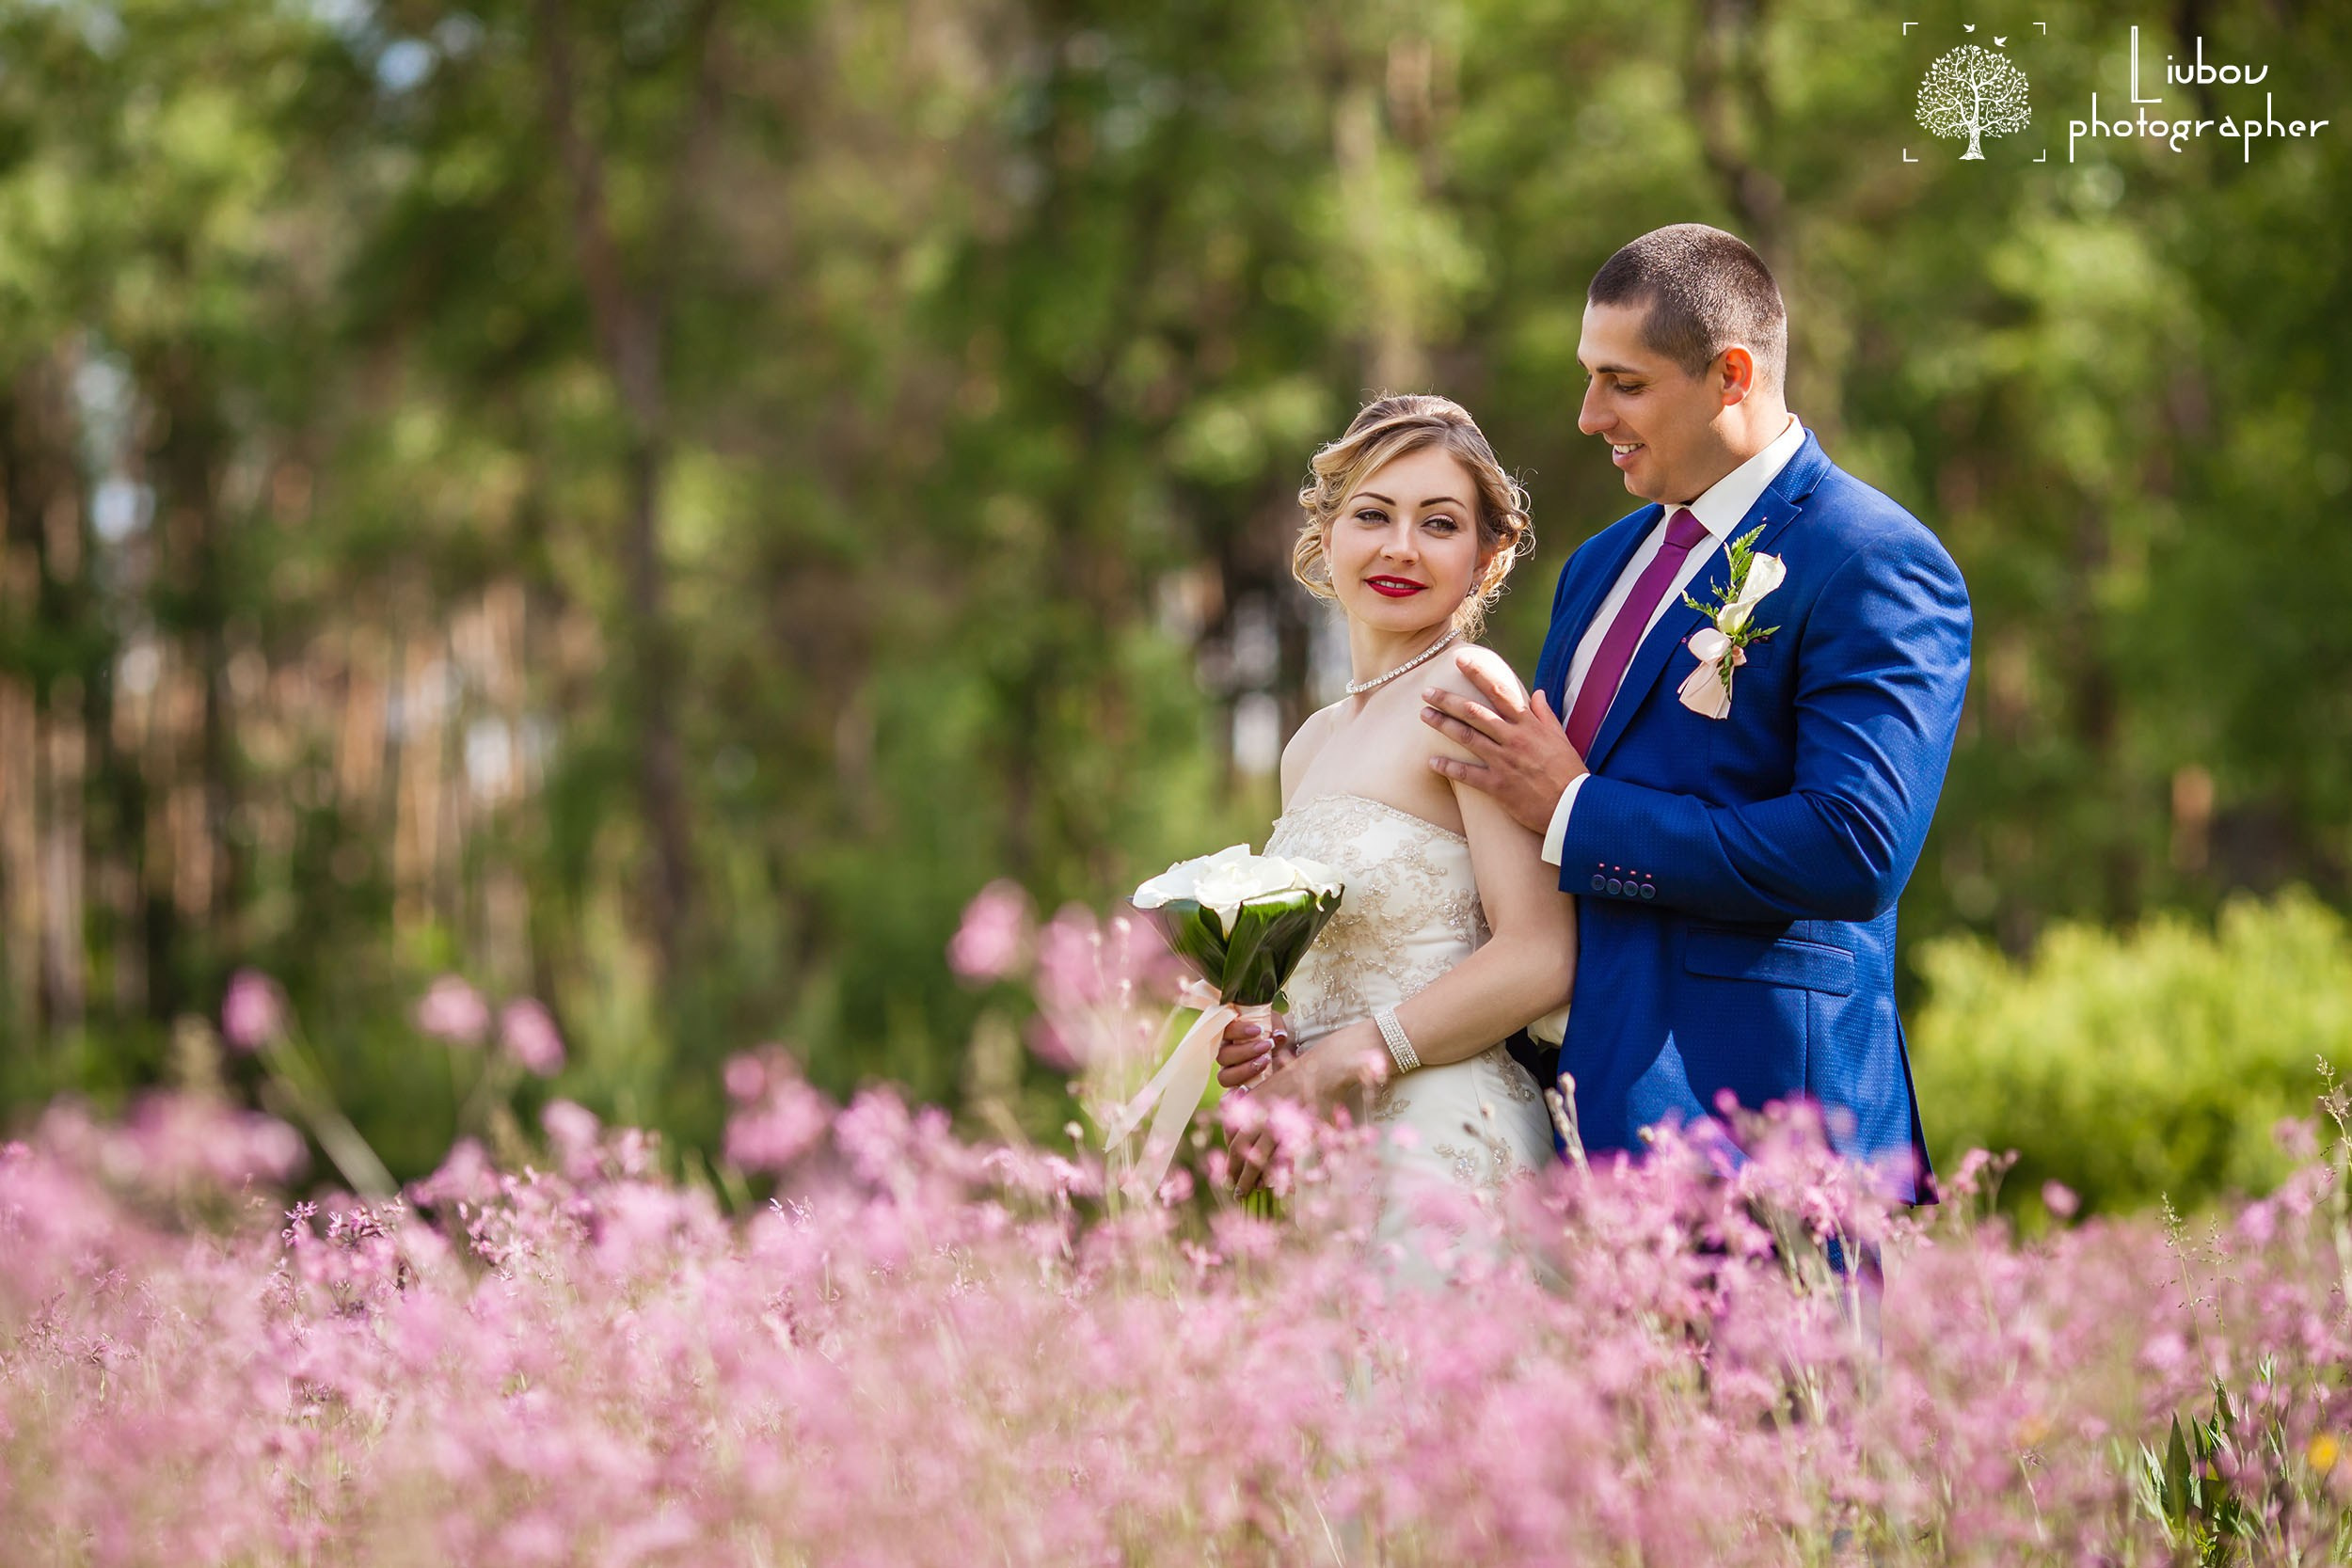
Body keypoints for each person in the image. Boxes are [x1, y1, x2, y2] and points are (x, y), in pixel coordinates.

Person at [1413, 223, 1971, 1205]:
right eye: (1588, 376)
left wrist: (1583, 812)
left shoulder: (1872, 559)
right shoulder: (1596, 566)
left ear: (1731, 375)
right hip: (1559, 1129)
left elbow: (1853, 847)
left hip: (1762, 1125)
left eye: (1622, 383)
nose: (1589, 416)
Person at [1212, 394, 1574, 1258]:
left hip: (1446, 1142)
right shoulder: (1309, 745)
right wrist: (1278, 1047)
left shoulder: (1469, 690)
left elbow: (1541, 952)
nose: (1400, 547)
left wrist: (1349, 1057)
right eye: (1373, 514)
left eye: (1439, 522)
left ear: (1488, 555)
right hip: (1337, 1158)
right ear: (1328, 534)